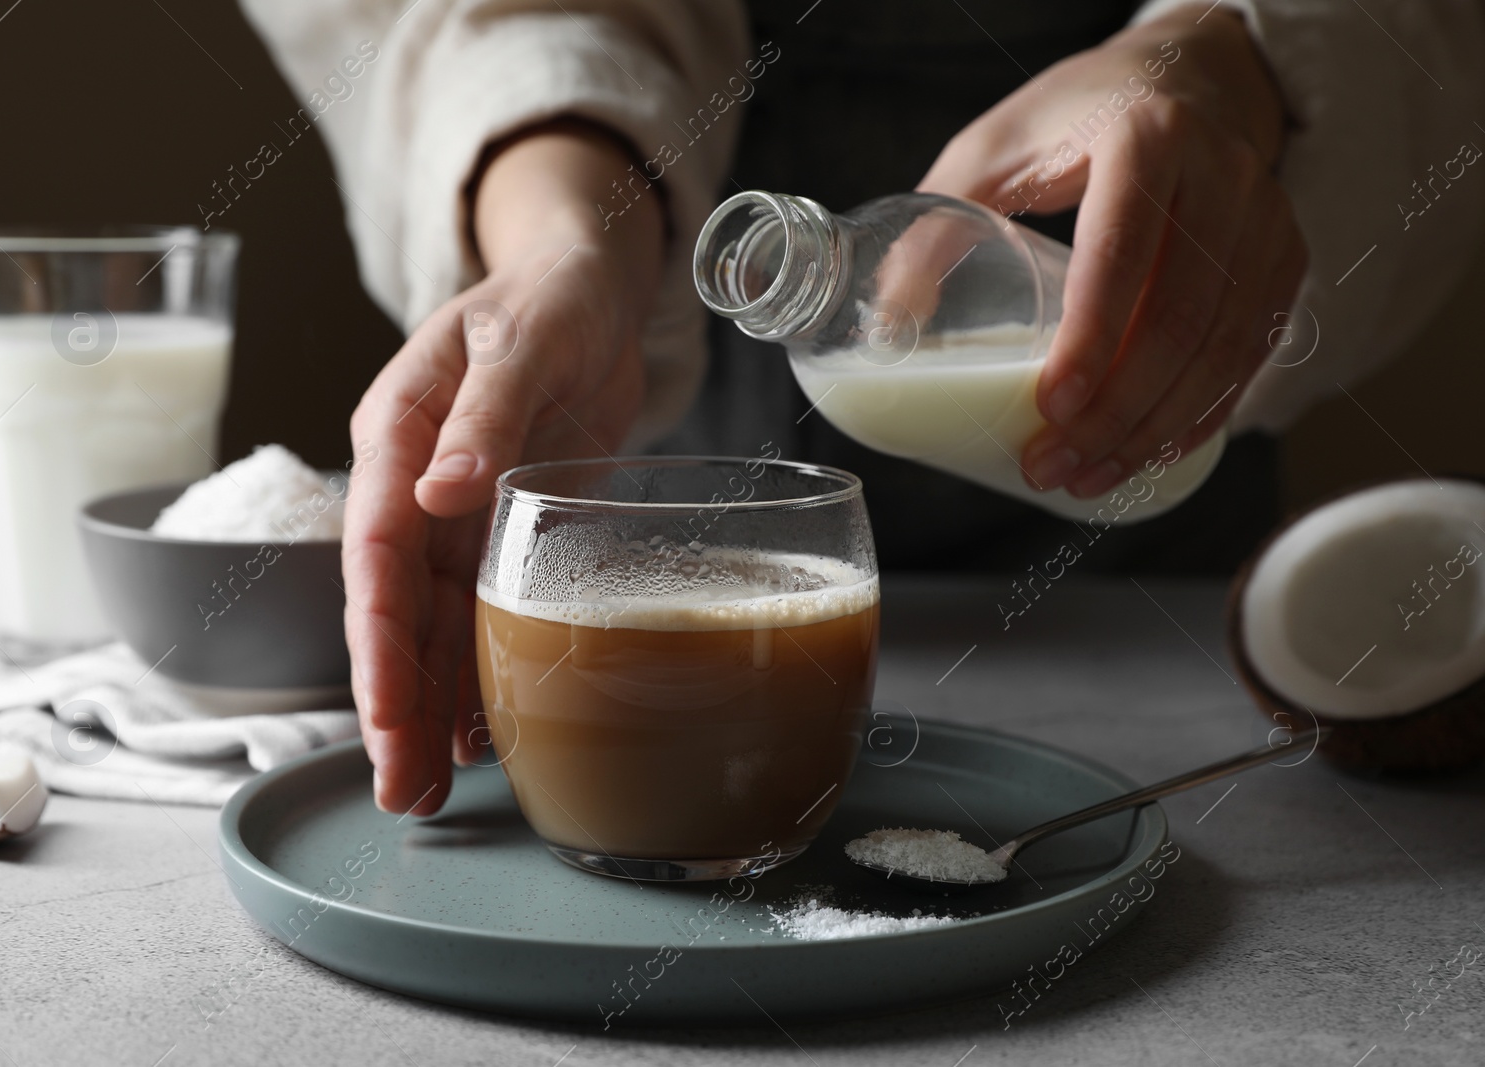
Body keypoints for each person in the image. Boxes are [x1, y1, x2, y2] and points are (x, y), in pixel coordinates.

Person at [238, 0, 1485, 814]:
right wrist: (569, 242)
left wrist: (1225, 59)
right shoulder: (820, 354)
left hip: (1148, 601)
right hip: (644, 486)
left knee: (1148, 839)